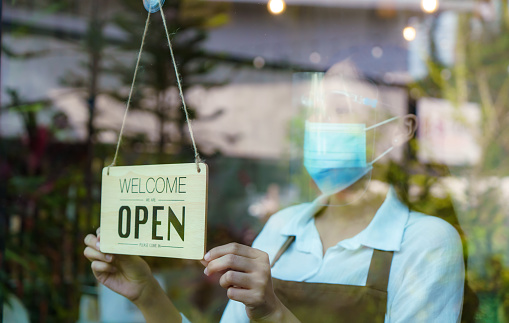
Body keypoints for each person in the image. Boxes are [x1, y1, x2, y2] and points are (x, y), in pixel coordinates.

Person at [84, 63, 465, 322]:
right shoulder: (283, 227)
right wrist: (146, 292)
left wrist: (274, 314)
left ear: (391, 132)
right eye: (315, 112)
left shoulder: (426, 242)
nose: (320, 125)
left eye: (340, 109)